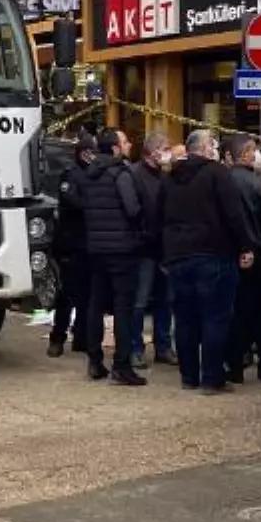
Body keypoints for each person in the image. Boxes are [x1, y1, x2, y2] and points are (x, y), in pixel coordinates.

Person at [160, 129, 256, 395]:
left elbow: (159, 217)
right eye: (212, 144)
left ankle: (189, 376)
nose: (215, 149)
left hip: (178, 256)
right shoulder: (216, 174)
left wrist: (164, 254)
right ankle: (212, 378)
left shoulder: (170, 179)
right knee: (216, 317)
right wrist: (245, 245)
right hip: (214, 254)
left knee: (185, 319)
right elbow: (233, 213)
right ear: (203, 148)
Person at [73, 127, 146, 386]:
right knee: (123, 308)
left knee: (95, 304)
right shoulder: (121, 173)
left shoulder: (88, 175)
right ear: (115, 148)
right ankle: (122, 365)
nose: (128, 145)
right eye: (125, 141)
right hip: (122, 249)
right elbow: (133, 209)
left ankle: (94, 361)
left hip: (96, 248)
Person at [223, 134, 261, 383]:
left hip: (233, 254)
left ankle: (235, 365)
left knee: (238, 313)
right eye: (254, 151)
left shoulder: (223, 182)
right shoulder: (259, 184)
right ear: (245, 154)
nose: (257, 155)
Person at [129, 131, 176, 368]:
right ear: (153, 151)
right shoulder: (135, 175)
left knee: (165, 301)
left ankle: (163, 347)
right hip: (144, 249)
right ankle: (135, 348)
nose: (167, 153)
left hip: (165, 248)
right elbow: (135, 212)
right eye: (165, 148)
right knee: (139, 301)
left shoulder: (166, 176)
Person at [47, 133, 96, 357]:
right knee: (66, 295)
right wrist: (93, 205)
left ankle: (82, 337)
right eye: (89, 152)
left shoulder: (94, 174)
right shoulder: (71, 174)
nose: (91, 156)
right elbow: (71, 201)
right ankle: (57, 338)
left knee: (87, 294)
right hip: (69, 243)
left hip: (88, 243)